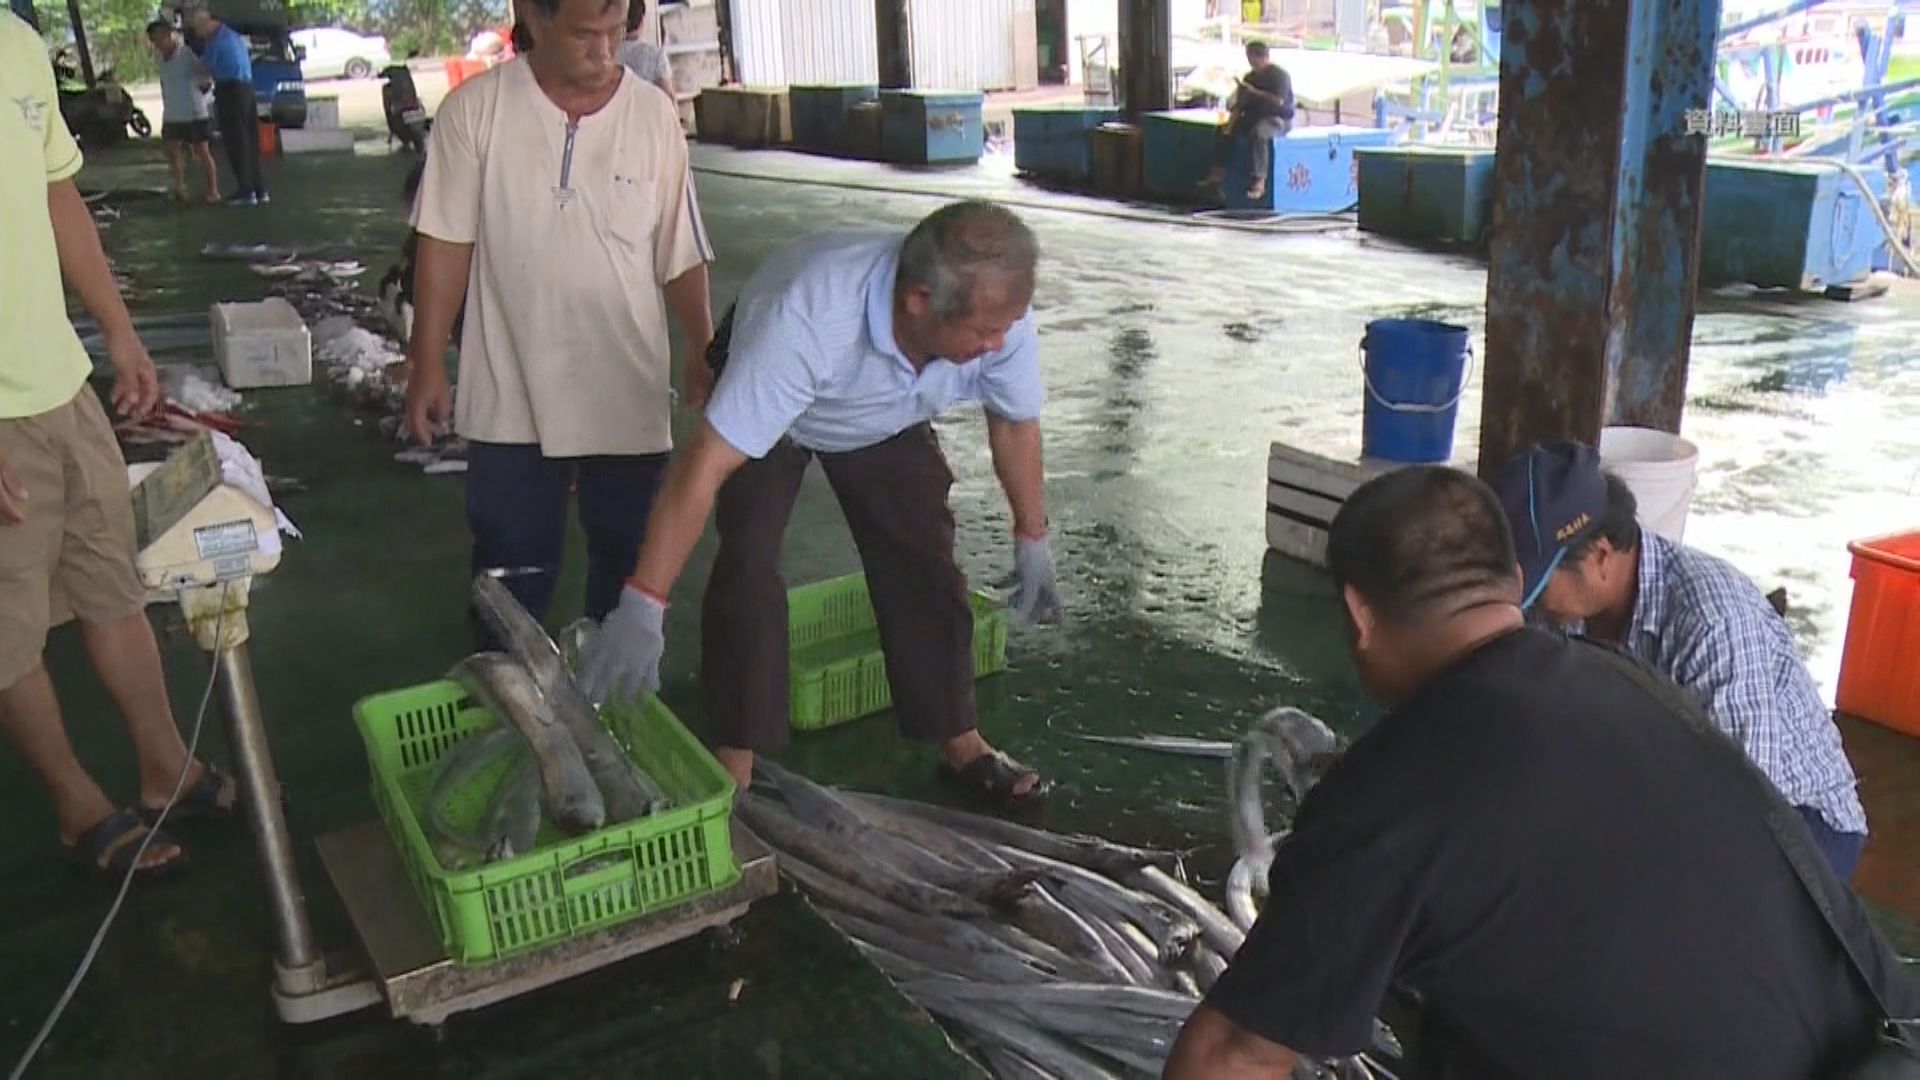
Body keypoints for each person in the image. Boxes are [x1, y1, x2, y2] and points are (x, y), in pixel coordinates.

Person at [1165, 465, 1912, 1078]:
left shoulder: (1390, 791)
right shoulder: (1636, 686)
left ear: (1359, 615)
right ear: (1515, 579)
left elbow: (1230, 1057)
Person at [577, 200, 1064, 807]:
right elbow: (702, 468)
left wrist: (1032, 535)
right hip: (781, 395)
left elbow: (1016, 425)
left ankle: (959, 739)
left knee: (925, 555)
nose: (999, 344)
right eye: (984, 333)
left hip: (885, 411)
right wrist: (643, 604)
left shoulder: (998, 320)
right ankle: (736, 755)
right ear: (918, 300)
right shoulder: (806, 320)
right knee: (748, 558)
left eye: (1004, 328)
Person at [1, 10, 235, 882]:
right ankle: (75, 803)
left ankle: (163, 766)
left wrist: (119, 335)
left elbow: (56, 195)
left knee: (113, 586)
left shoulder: (15, 44)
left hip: (62, 383)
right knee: (9, 631)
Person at [403, 0, 714, 634]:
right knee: (509, 581)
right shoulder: (474, 112)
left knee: (628, 574)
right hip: (509, 395)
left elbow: (679, 247)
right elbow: (445, 247)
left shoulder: (652, 114)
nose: (606, 53)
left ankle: (612, 713)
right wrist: (426, 361)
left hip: (627, 392)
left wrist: (702, 344)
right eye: (583, 35)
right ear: (532, 18)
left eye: (616, 33)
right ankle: (511, 709)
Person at [1491, 442, 1870, 880]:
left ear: (1599, 557)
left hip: (1799, 825)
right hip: (1666, 785)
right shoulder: (1567, 613)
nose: (1527, 604)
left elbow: (1751, 805)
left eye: (1539, 585)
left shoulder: (1712, 619)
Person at [188, 6, 268, 206]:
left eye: (197, 30)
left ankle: (246, 190)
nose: (197, 35)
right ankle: (259, 189)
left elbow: (203, 67)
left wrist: (194, 65)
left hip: (231, 91)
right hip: (247, 89)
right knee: (250, 139)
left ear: (205, 24)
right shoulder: (233, 36)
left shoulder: (216, 41)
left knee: (236, 140)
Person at [1203, 40, 1295, 200]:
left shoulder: (1280, 76)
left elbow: (1279, 100)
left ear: (1262, 57)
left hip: (1277, 119)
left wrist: (1254, 92)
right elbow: (1241, 105)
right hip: (1254, 116)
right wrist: (1231, 123)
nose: (1251, 62)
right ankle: (1218, 173)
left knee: (1260, 133)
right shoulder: (1249, 77)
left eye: (1253, 58)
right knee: (1223, 131)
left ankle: (1259, 180)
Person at [147, 19, 220, 206]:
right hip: (172, 112)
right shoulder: (158, 57)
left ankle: (213, 190)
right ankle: (179, 187)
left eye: (159, 39)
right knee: (172, 150)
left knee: (202, 151)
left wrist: (202, 90)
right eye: (153, 41)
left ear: (168, 36)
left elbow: (205, 75)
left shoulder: (186, 55)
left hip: (194, 111)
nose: (157, 44)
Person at [617, 0, 674, 100]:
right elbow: (668, 98)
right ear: (642, 20)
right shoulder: (655, 55)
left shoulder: (608, 54)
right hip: (648, 113)